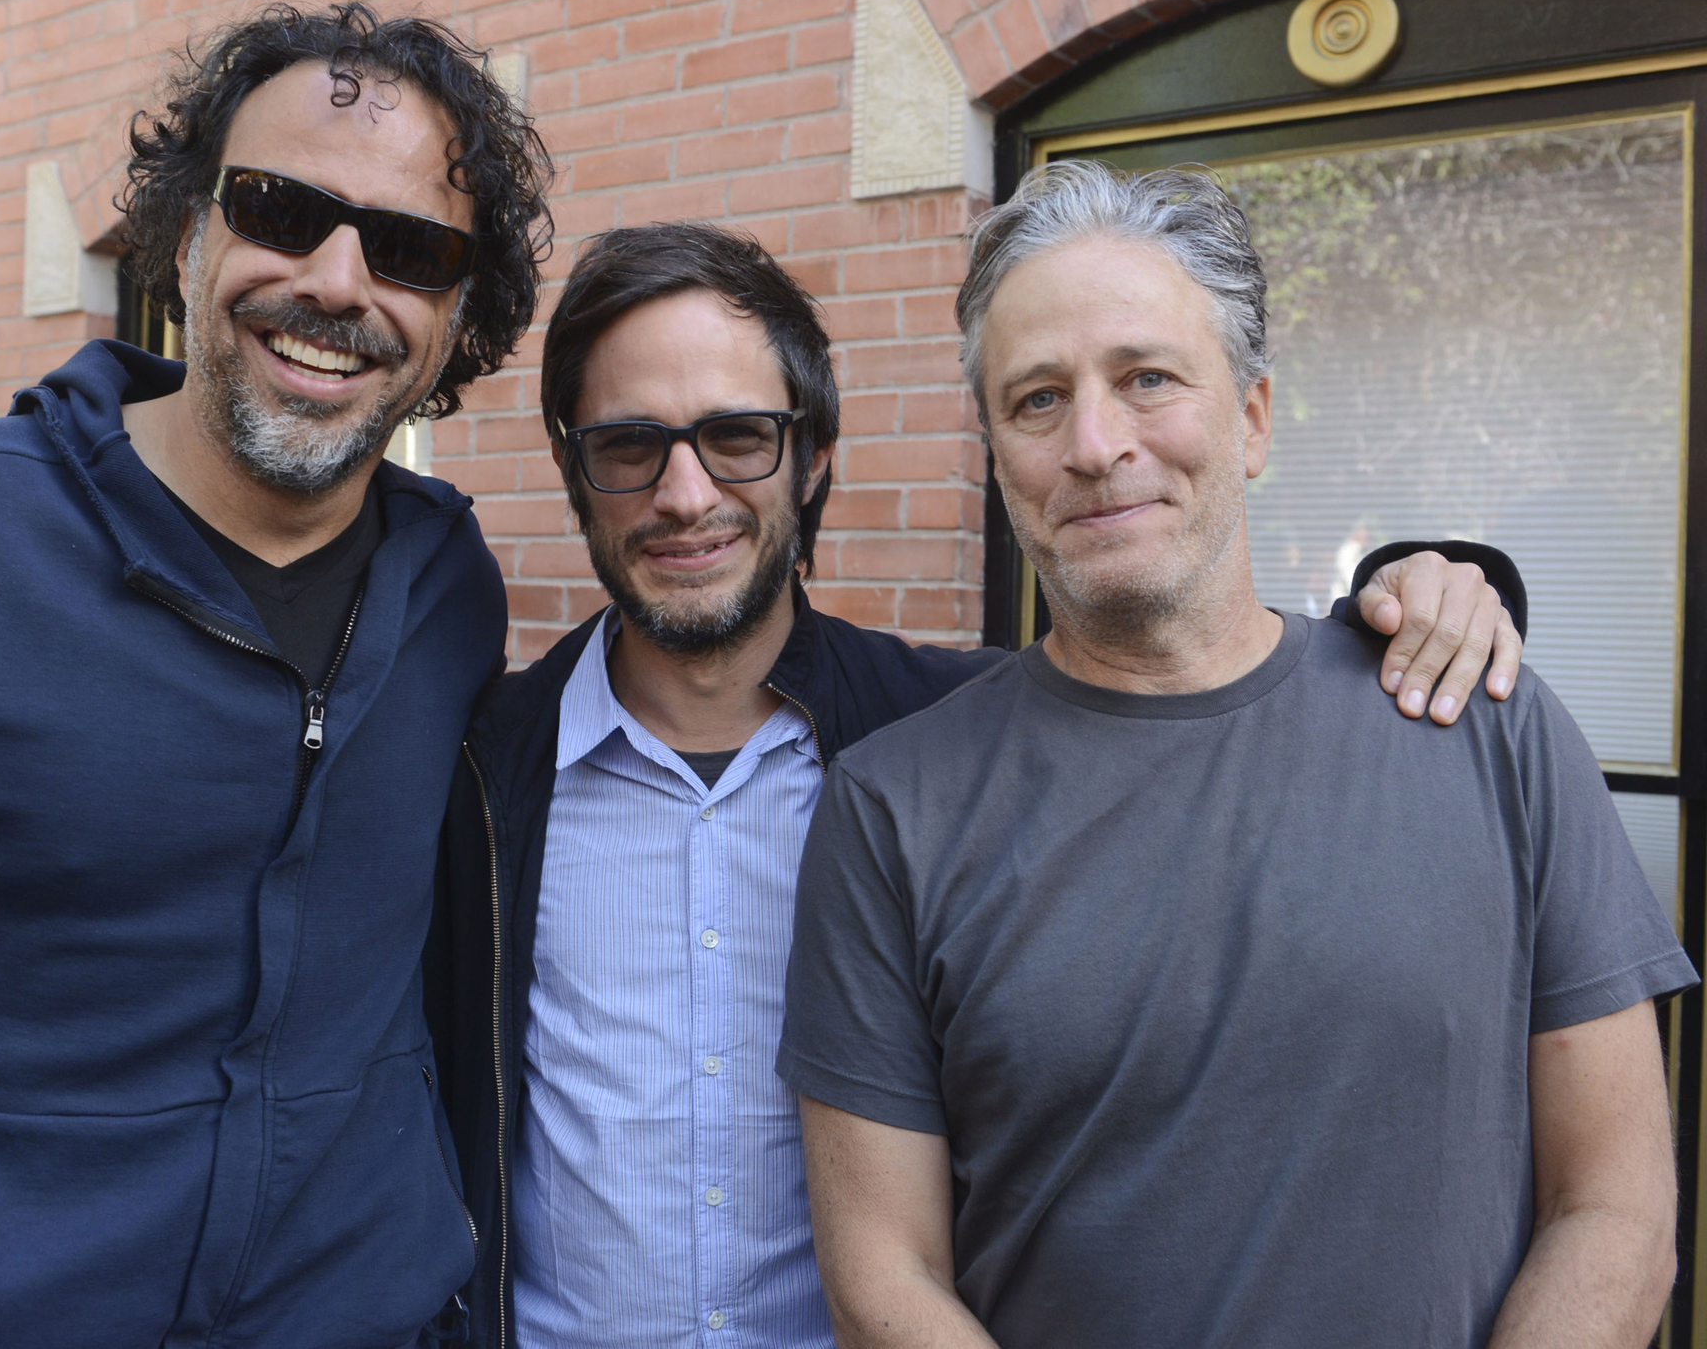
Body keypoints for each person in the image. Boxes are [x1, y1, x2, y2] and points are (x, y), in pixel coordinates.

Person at [429, 222, 1530, 1349]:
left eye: (736, 436)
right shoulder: (461, 776)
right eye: (627, 445)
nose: (681, 490)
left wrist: (1422, 594)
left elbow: (1187, 699)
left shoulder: (945, 741)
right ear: (575, 471)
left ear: (812, 458)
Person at [0, 2, 548, 1349]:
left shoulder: (446, 588)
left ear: (458, 314)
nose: (337, 280)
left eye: (412, 248)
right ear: (188, 234)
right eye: (279, 207)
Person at [778, 161, 1697, 1349]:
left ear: (1251, 416)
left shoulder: (1482, 723)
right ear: (999, 453)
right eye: (1036, 400)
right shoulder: (889, 808)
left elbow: (1615, 1207)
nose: (1094, 443)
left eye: (1145, 378)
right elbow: (882, 1277)